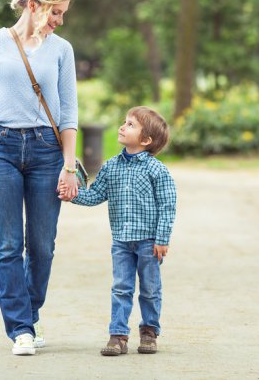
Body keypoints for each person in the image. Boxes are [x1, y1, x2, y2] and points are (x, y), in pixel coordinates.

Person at [0, 0, 78, 356]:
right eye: (56, 12)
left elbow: (68, 115)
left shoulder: (61, 50)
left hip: (47, 151)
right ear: (34, 5)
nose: (60, 21)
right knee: (9, 243)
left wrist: (68, 165)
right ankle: (21, 330)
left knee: (42, 245)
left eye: (63, 14)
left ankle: (30, 311)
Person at [59, 106, 177, 356]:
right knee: (121, 288)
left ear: (146, 140)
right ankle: (118, 335)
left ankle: (149, 332)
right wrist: (72, 194)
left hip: (149, 242)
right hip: (121, 242)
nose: (123, 127)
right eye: (125, 122)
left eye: (131, 125)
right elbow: (94, 196)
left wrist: (162, 239)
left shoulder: (157, 170)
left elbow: (168, 206)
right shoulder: (110, 167)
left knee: (150, 290)